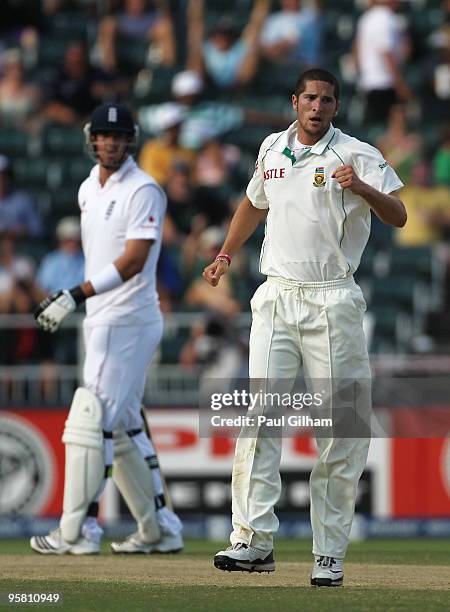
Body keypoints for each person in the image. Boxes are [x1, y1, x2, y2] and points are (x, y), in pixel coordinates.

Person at [203, 68, 406, 586]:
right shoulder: (272, 147)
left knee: (341, 429)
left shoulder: (355, 153)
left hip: (332, 299)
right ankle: (252, 540)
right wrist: (226, 254)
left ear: (336, 107)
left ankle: (329, 554)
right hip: (275, 295)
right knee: (260, 417)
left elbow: (399, 214)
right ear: (295, 101)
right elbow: (253, 203)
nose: (317, 107)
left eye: (327, 100)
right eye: (309, 98)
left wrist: (360, 187)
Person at [29, 102, 183, 555]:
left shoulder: (143, 189)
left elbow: (135, 260)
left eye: (118, 136)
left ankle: (76, 532)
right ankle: (159, 529)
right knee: (124, 426)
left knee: (89, 417)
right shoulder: (86, 190)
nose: (111, 142)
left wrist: (74, 294)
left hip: (127, 319)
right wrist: (79, 298)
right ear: (91, 138)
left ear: (129, 140)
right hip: (104, 319)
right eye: (103, 135)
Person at [354, 0, 413, 123]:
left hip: (368, 83)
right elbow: (386, 53)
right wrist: (400, 84)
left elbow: (356, 51)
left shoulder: (366, 17)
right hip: (385, 84)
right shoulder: (386, 18)